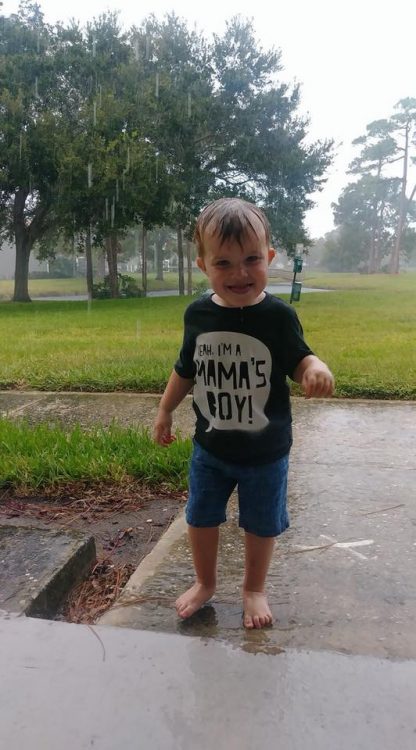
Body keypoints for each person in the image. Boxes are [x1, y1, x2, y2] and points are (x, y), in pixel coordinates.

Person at [153, 197, 334, 629]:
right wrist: (164, 410)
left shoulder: (277, 316)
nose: (240, 273)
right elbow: (185, 369)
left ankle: (254, 588)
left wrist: (316, 367)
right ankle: (205, 582)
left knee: (261, 524)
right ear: (203, 265)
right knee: (200, 516)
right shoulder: (198, 313)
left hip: (265, 453)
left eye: (252, 259)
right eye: (225, 263)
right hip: (210, 448)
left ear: (270, 257)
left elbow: (300, 359)